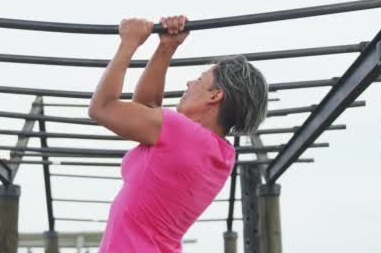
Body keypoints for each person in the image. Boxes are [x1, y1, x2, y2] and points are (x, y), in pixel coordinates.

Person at [88, 15, 269, 252]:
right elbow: (146, 110)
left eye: (200, 80)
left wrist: (129, 43)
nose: (189, 83)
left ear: (215, 96)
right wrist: (166, 46)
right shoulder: (221, 154)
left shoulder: (182, 134)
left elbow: (102, 108)